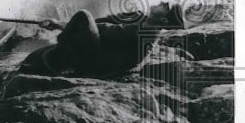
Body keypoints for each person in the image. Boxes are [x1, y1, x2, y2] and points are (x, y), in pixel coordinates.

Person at [19, 5, 186, 78]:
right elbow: (106, 25)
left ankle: (59, 61)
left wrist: (62, 25)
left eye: (167, 7)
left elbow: (107, 31)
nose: (163, 2)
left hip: (96, 63)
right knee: (84, 20)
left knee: (83, 15)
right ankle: (59, 57)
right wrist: (62, 25)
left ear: (164, 21)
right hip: (100, 60)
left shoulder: (148, 30)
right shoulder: (146, 26)